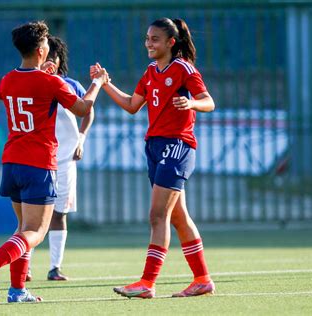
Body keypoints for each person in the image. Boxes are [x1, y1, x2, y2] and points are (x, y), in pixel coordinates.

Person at [0, 21, 108, 303]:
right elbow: (83, 107)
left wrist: (40, 76)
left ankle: (18, 290)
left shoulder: (7, 80)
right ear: (40, 49)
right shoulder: (51, 81)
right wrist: (97, 83)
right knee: (37, 231)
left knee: (23, 228)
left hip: (11, 161)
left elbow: (19, 93)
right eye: (46, 42)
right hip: (39, 163)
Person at [91, 18, 215, 298]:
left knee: (157, 215)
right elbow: (132, 105)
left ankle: (147, 283)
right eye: (147, 38)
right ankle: (202, 279)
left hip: (178, 146)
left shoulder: (183, 69)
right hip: (155, 147)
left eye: (155, 39)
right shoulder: (150, 72)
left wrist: (192, 102)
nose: (149, 43)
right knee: (178, 217)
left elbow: (209, 101)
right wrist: (105, 84)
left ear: (171, 42)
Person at [26, 36, 94, 281]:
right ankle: (26, 267)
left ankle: (55, 267)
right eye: (45, 57)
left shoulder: (70, 85)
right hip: (38, 159)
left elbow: (88, 109)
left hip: (64, 161)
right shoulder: (31, 84)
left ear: (59, 60)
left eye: (53, 58)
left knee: (59, 214)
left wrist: (81, 139)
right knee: (30, 216)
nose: (48, 62)